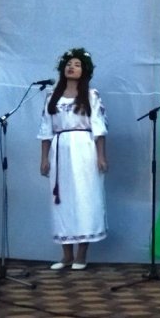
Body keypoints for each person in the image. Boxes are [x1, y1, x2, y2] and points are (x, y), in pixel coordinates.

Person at [39, 47, 108, 270]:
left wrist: (101, 156)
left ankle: (81, 254)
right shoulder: (52, 95)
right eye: (69, 64)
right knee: (61, 199)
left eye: (77, 65)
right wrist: (44, 158)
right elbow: (46, 129)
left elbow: (99, 127)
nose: (71, 67)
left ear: (84, 70)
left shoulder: (91, 95)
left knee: (83, 198)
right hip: (60, 149)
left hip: (84, 148)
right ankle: (66, 255)